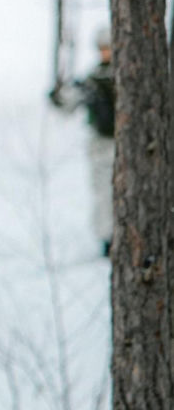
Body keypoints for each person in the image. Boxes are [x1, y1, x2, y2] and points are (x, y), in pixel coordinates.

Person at [50, 26, 115, 257]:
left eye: (108, 47)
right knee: (103, 195)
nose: (105, 52)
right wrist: (59, 97)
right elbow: (69, 103)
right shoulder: (93, 79)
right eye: (102, 48)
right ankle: (107, 239)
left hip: (124, 146)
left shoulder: (127, 74)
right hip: (101, 146)